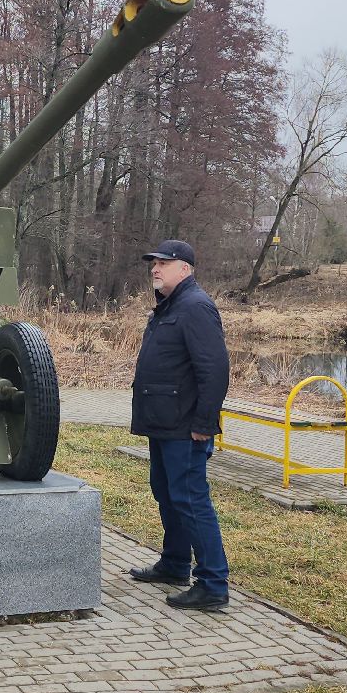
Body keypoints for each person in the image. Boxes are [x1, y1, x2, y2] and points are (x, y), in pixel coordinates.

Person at [128, 239, 231, 612]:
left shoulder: (196, 307)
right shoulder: (170, 305)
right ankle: (174, 564)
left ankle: (213, 583)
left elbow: (215, 369)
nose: (154, 269)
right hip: (164, 423)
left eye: (163, 263)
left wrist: (204, 422)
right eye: (152, 263)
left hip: (187, 428)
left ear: (184, 269)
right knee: (167, 493)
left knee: (190, 500)